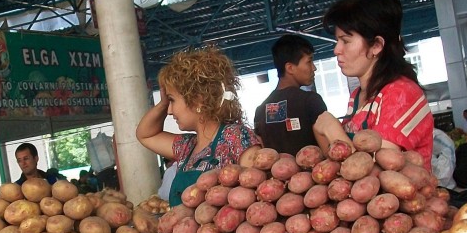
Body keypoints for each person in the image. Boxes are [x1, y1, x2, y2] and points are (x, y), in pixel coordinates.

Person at [312, 0, 434, 171]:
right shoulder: (357, 95)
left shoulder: (402, 93)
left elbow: (380, 170)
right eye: (337, 41)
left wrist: (332, 129)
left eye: (345, 41)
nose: (337, 50)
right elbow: (341, 167)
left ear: (376, 45)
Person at [136, 47, 262, 207]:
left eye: (172, 101)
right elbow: (145, 135)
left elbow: (254, 192)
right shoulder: (186, 147)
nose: (169, 111)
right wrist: (163, 103)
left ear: (197, 100)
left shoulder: (236, 136)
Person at [253, 34, 328, 156]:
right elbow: (328, 151)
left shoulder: (260, 111)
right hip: (315, 173)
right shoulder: (310, 100)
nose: (314, 68)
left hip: (275, 175)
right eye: (309, 61)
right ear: (290, 68)